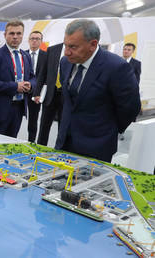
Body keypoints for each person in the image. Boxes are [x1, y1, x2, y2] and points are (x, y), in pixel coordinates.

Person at [56, 19, 140, 162]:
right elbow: (70, 102)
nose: (67, 52)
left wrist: (108, 130)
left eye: (73, 47)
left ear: (93, 44)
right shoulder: (65, 62)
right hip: (64, 141)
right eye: (65, 46)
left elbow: (130, 108)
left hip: (96, 146)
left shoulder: (116, 67)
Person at [0, 20, 36, 138]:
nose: (15, 37)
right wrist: (15, 86)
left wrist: (30, 85)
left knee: (11, 142)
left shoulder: (26, 56)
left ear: (23, 35)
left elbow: (33, 77)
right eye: (12, 33)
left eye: (19, 33)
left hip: (18, 108)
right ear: (5, 35)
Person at [34, 43, 64, 146]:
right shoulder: (52, 50)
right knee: (44, 126)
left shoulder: (76, 49)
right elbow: (43, 72)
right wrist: (37, 93)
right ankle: (40, 148)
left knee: (63, 128)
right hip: (50, 94)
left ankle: (60, 151)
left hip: (66, 95)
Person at [25, 31, 47, 143]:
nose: (34, 40)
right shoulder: (22, 54)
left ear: (41, 41)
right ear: (28, 40)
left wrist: (40, 93)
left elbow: (46, 77)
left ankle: (31, 141)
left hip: (36, 93)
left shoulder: (45, 56)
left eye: (37, 39)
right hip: (22, 91)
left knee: (33, 120)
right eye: (32, 38)